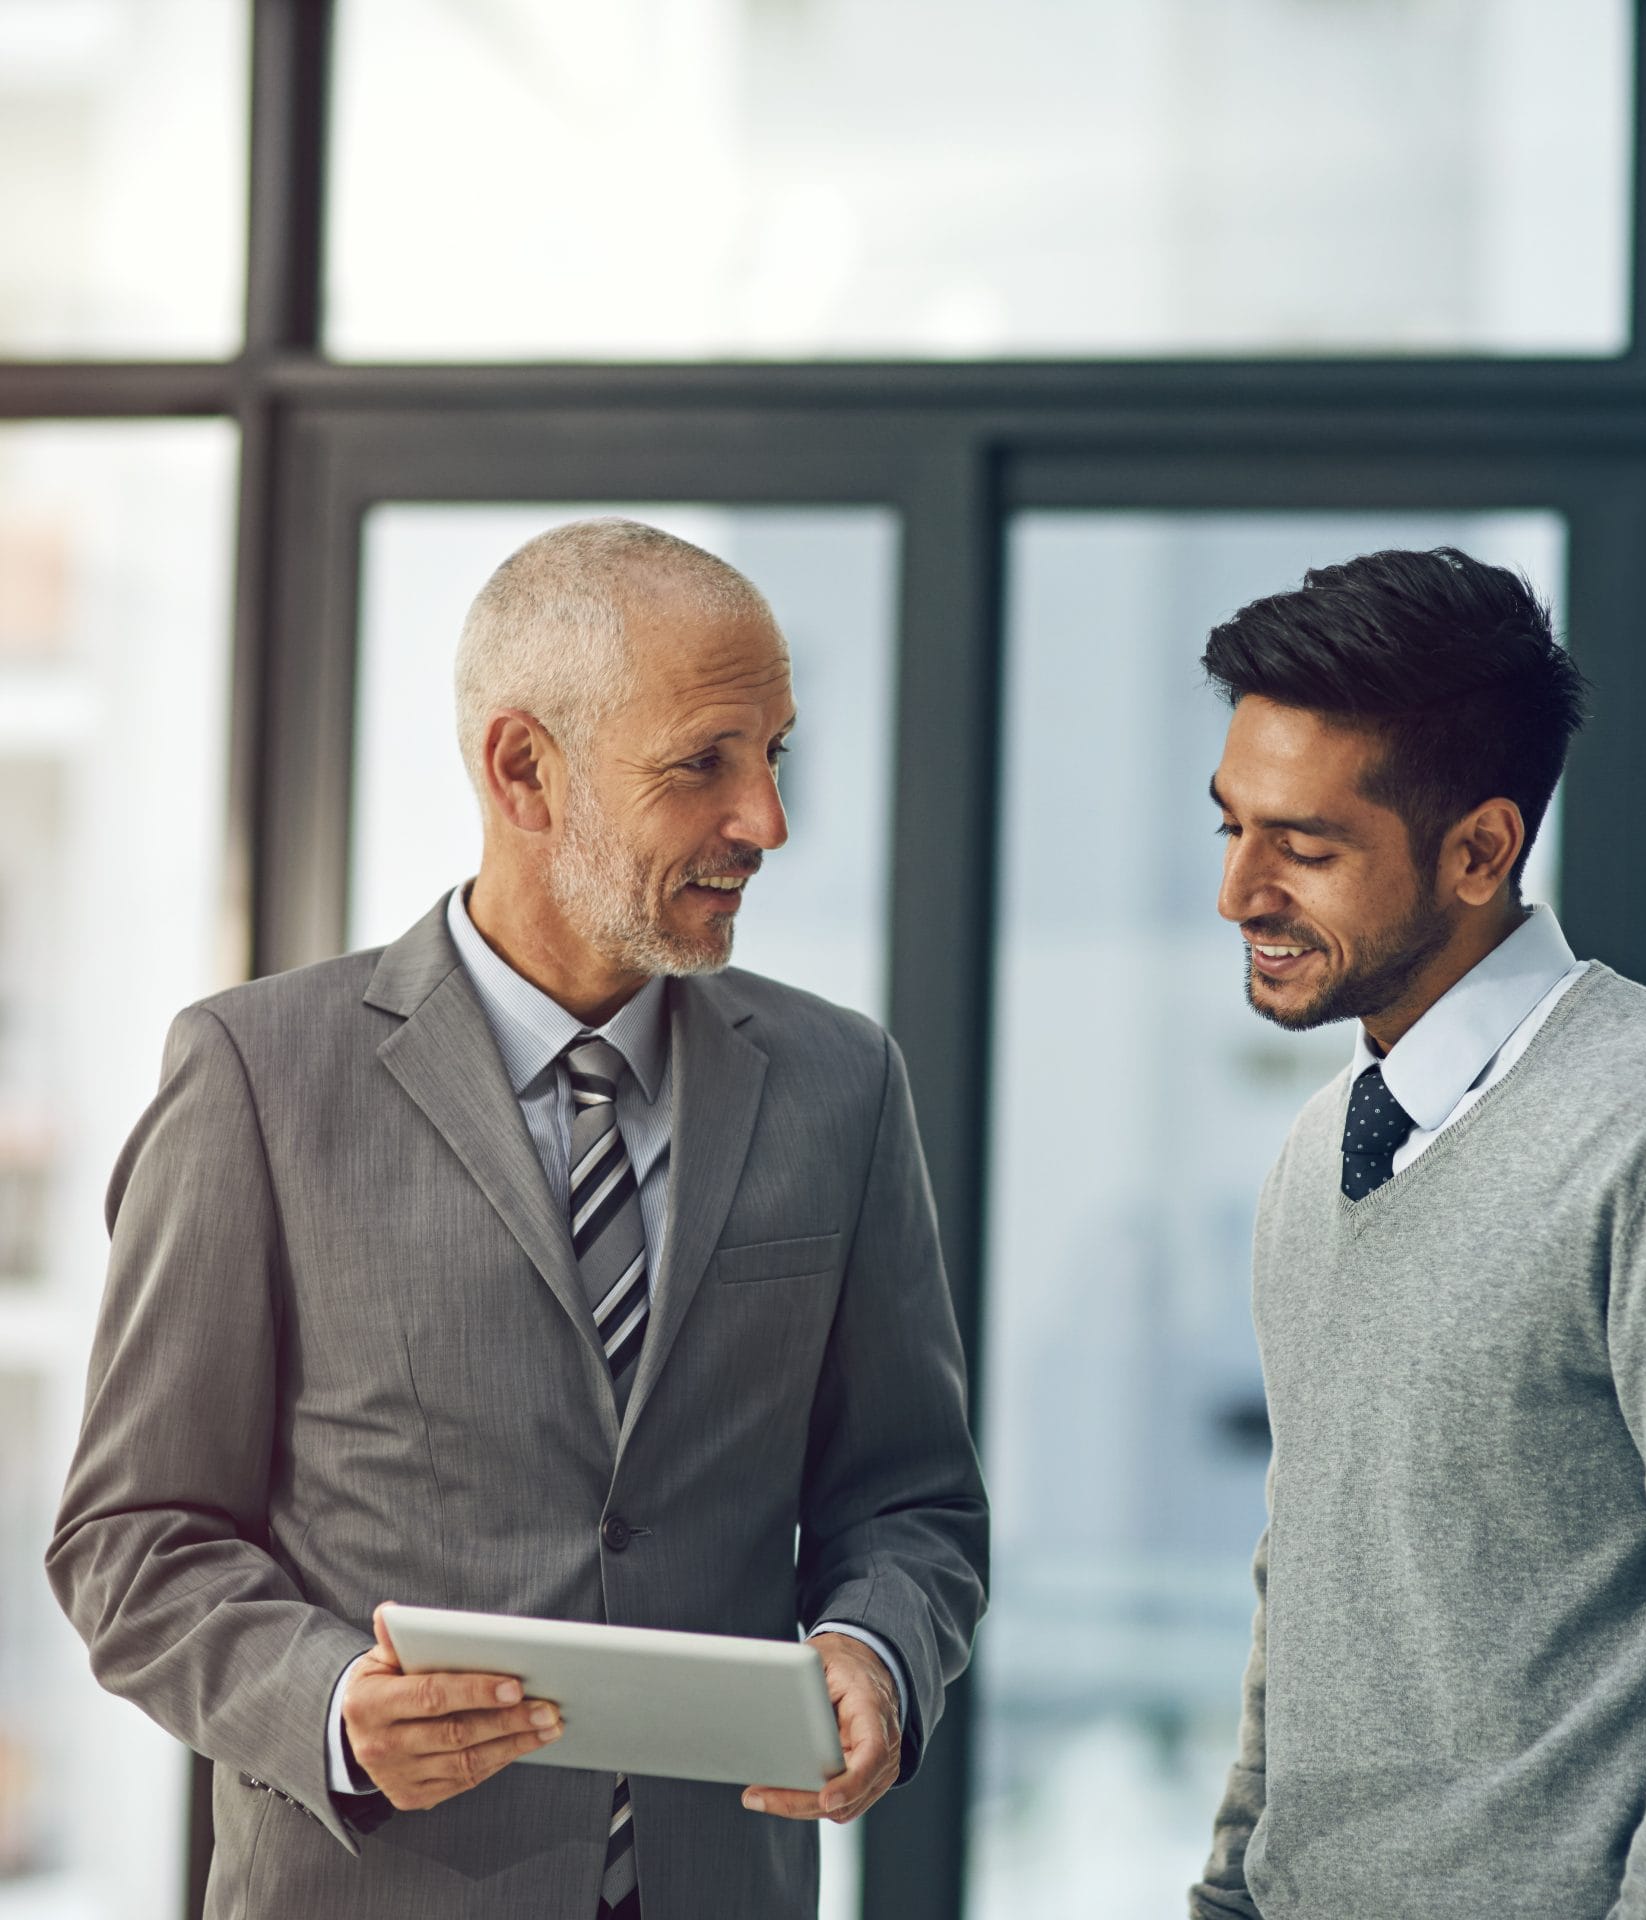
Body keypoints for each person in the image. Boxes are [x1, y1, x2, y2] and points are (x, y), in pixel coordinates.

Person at [47, 517, 988, 1920]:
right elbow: (133, 1538)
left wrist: (876, 1649)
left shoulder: (841, 1085)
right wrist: (333, 1705)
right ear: (524, 768)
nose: (767, 821)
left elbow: (908, 1502)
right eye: (703, 765)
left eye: (774, 754)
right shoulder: (259, 1074)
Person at [1190, 547, 1646, 1920]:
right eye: (1233, 827)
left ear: (1481, 849)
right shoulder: (1317, 1153)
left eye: (1308, 846)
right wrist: (1229, 1888)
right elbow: (1314, 1582)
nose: (1241, 894)